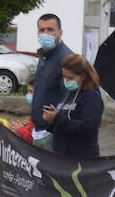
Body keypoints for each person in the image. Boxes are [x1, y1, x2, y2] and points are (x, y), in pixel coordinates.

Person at [43, 54, 104, 158]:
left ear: (83, 76)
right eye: (64, 77)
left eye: (70, 78)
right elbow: (60, 126)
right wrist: (50, 121)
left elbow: (88, 128)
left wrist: (58, 118)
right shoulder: (67, 93)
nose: (66, 81)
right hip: (61, 154)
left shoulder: (91, 97)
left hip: (81, 157)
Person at [26, 13, 74, 146]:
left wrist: (57, 121)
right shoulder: (44, 55)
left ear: (60, 33)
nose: (45, 34)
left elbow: (69, 97)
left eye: (50, 30)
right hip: (38, 129)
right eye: (42, 30)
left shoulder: (66, 59)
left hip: (51, 133)